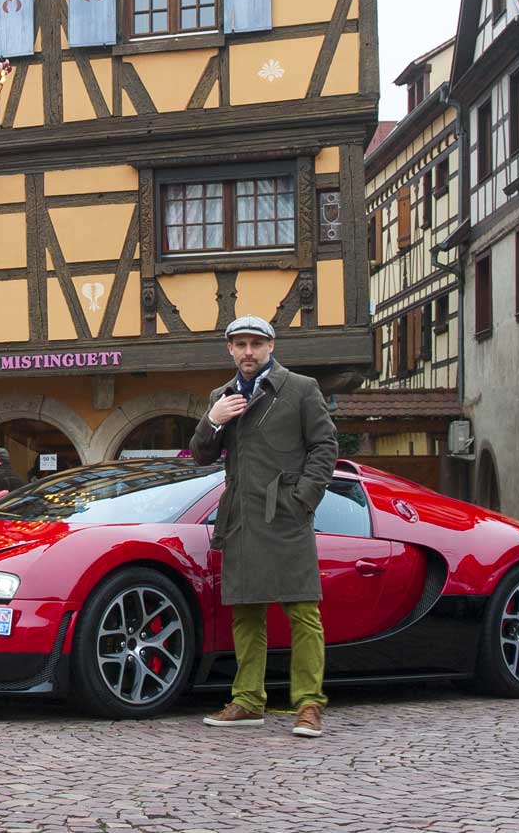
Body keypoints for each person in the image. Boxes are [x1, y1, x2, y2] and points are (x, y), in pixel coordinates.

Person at [191, 315, 337, 739]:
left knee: (303, 611)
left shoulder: (301, 389)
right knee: (246, 613)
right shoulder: (223, 395)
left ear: (271, 347)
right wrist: (213, 419)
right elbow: (201, 454)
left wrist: (303, 499)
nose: (248, 352)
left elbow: (325, 445)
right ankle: (248, 700)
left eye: (256, 343)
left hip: (286, 514)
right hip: (240, 516)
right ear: (230, 350)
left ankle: (309, 704)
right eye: (240, 344)